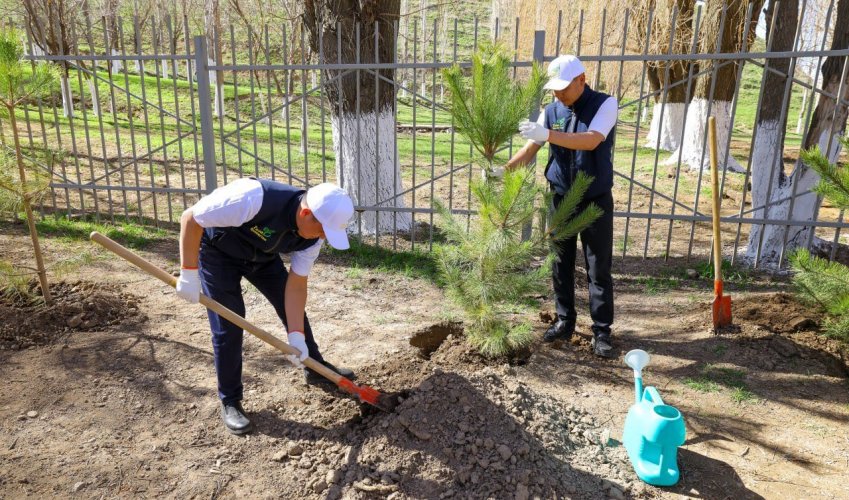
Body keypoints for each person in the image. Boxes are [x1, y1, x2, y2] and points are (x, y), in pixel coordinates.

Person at [175, 178, 356, 434]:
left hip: (262, 257)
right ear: (306, 214)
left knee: (293, 312)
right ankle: (230, 400)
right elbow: (190, 218)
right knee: (229, 323)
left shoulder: (313, 237)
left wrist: (296, 336)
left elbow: (296, 286)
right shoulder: (251, 199)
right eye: (323, 230)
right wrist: (188, 273)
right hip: (218, 252)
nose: (324, 237)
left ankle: (314, 367)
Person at [507, 54, 617, 358]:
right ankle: (565, 320)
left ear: (581, 79)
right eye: (553, 89)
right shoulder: (552, 110)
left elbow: (591, 140)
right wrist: (503, 171)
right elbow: (531, 150)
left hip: (594, 200)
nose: (557, 94)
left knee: (598, 267)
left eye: (563, 88)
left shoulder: (604, 104)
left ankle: (602, 331)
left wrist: (548, 134)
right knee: (560, 263)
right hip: (560, 198)